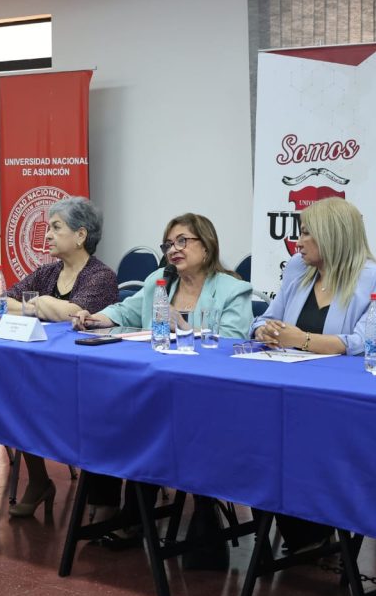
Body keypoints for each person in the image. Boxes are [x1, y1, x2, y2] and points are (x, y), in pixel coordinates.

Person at [72, 213, 253, 556]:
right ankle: (128, 512)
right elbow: (125, 311)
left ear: (207, 245)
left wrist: (181, 324)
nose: (173, 249)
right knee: (108, 412)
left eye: (183, 241)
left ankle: (139, 515)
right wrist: (95, 318)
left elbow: (232, 342)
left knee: (150, 423)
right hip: (156, 387)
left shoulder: (233, 290)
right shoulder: (159, 281)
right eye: (168, 244)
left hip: (208, 395)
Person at [251, 196, 376, 553]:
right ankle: (294, 530)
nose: (297, 242)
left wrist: (302, 340)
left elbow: (366, 343)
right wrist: (263, 331)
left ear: (331, 236)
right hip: (287, 385)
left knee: (297, 442)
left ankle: (312, 531)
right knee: (253, 437)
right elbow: (264, 318)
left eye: (305, 233)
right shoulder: (298, 271)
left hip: (339, 395)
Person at [3, 197, 118, 518]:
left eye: (56, 227)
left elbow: (75, 313)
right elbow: (2, 303)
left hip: (87, 374)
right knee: (16, 398)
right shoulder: (47, 272)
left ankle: (104, 500)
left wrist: (36, 303)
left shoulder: (101, 276)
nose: (48, 235)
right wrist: (41, 305)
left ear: (81, 235)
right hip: (44, 365)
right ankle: (39, 481)